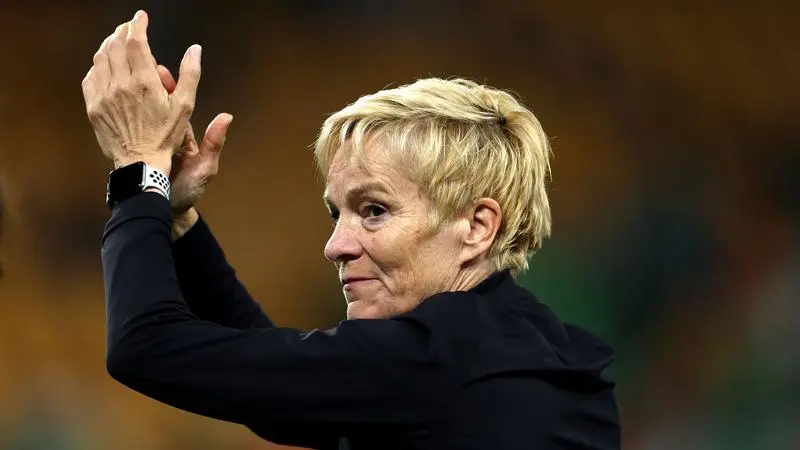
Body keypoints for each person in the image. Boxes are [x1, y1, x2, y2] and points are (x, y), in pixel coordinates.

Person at [81, 10, 620, 450]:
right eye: (335, 214)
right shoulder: (528, 350)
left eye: (375, 210)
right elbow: (284, 399)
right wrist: (176, 216)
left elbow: (145, 346)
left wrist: (138, 167)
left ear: (477, 226)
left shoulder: (435, 359)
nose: (336, 246)